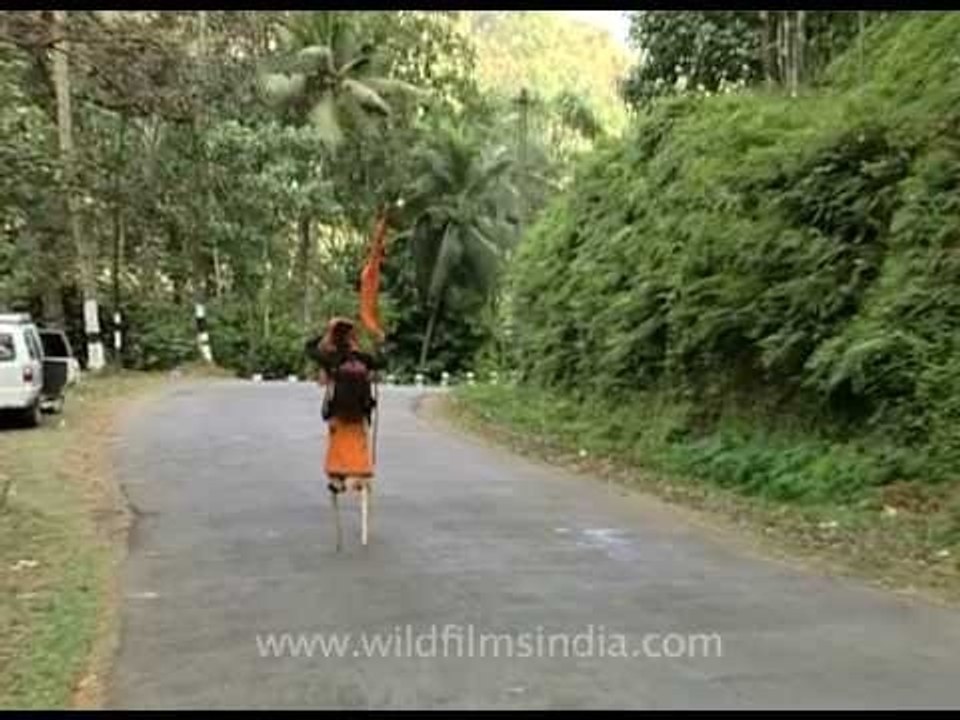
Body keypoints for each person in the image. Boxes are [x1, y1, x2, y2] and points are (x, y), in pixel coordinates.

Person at [305, 317, 381, 495]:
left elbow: (309, 349)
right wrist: (379, 339)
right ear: (353, 339)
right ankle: (359, 478)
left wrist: (326, 334)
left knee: (338, 445)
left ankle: (338, 479)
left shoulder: (333, 359)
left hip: (338, 413)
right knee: (357, 445)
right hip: (360, 413)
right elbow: (382, 361)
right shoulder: (365, 359)